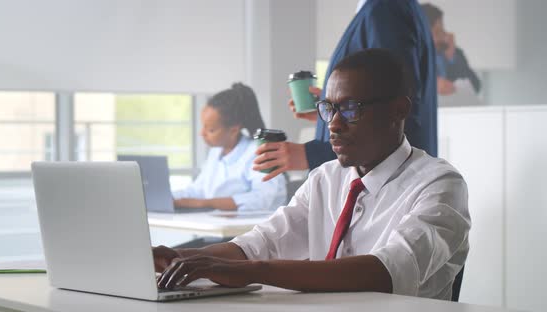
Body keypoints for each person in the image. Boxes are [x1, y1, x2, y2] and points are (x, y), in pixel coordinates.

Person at [153, 49, 470, 300]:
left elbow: (386, 271)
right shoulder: (326, 178)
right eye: (328, 108)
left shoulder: (439, 183)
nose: (333, 124)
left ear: (398, 110)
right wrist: (178, 257)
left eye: (350, 108)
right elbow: (260, 244)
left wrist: (252, 271)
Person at [253, 0, 437, 182]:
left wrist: (310, 155)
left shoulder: (384, 9)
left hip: (389, 185)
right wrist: (335, 110)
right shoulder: (390, 8)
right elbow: (383, 101)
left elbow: (393, 109)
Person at [172, 83, 286, 212]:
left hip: (257, 228)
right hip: (220, 227)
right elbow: (198, 190)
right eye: (203, 126)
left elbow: (260, 199)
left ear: (233, 130)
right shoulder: (216, 152)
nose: (201, 133)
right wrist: (168, 198)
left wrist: (204, 203)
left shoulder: (261, 152)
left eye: (210, 129)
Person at [421, 3, 481, 95]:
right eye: (437, 32)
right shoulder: (412, 57)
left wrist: (451, 57)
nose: (442, 35)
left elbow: (476, 85)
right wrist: (432, 84)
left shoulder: (454, 53)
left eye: (442, 30)